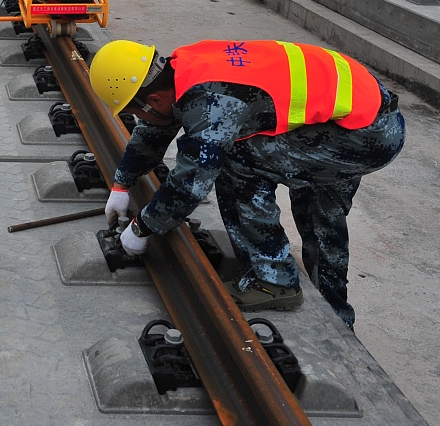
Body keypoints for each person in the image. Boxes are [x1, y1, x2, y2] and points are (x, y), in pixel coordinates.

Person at [89, 39, 405, 327]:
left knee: (237, 160)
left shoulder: (210, 100)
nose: (141, 121)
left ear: (154, 99)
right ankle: (337, 319)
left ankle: (274, 279)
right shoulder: (181, 67)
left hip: (364, 135)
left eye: (138, 113)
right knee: (320, 214)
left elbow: (191, 183)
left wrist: (143, 227)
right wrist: (123, 183)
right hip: (358, 113)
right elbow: (157, 126)